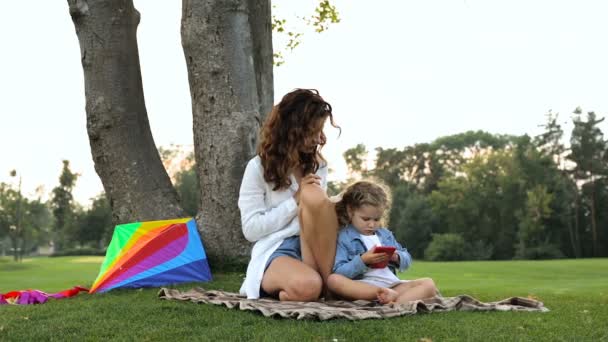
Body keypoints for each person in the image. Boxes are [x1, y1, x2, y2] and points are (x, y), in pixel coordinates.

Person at [238, 89, 341, 301]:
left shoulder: (318, 165)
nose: (320, 138)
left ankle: (310, 286)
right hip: (278, 248)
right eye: (314, 131)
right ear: (293, 129)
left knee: (341, 285)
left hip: (315, 244)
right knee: (310, 286)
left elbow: (317, 215)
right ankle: (276, 284)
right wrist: (296, 200)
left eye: (321, 130)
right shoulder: (257, 168)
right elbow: (251, 229)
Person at [328, 181, 438, 304]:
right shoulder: (345, 237)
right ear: (350, 211)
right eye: (365, 219)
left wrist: (396, 257)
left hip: (392, 286)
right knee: (334, 280)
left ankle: (393, 305)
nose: (371, 224)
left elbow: (407, 260)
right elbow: (340, 271)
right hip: (363, 288)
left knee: (429, 284)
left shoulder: (385, 235)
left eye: (376, 219)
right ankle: (383, 295)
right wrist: (363, 260)